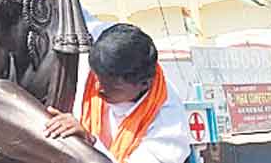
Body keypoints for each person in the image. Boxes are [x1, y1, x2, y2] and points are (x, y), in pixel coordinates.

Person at [43, 23, 189, 163]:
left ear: (144, 84)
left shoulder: (168, 128)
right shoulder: (100, 41)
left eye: (113, 87)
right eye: (96, 78)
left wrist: (89, 141)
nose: (98, 88)